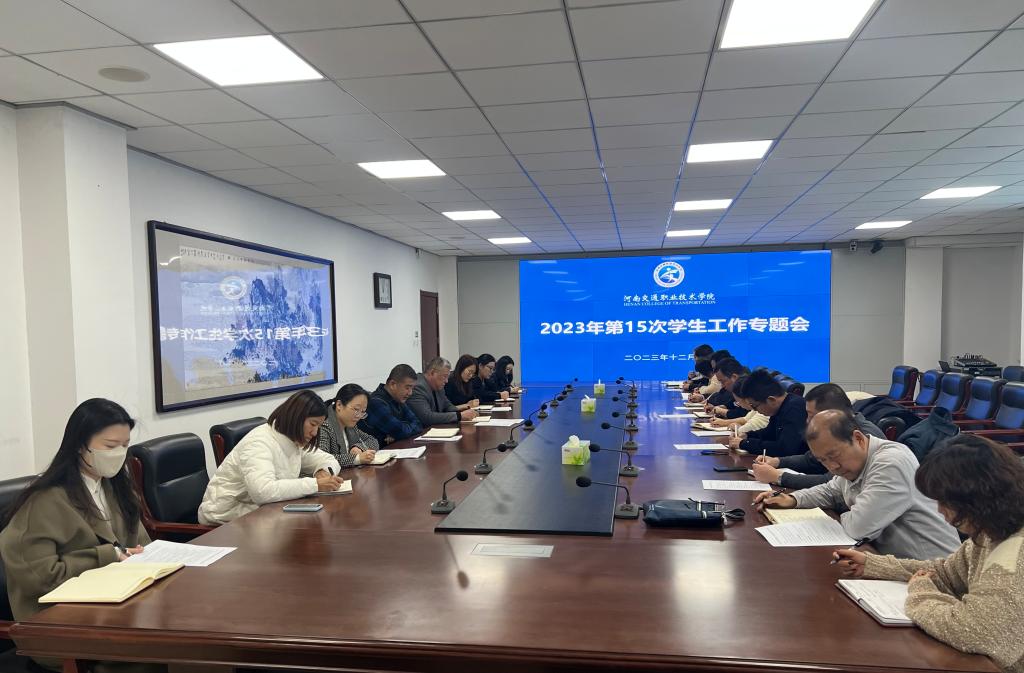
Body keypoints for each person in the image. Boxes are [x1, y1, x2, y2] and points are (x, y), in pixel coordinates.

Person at [834, 435, 1024, 672]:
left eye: (944, 501)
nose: (939, 510)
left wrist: (921, 592)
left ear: (975, 499)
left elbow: (977, 632)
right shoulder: (990, 531)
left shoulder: (1014, 553)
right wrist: (872, 565)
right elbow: (946, 573)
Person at [0, 399, 161, 673]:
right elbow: (40, 578)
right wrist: (108, 556)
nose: (119, 454)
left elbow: (140, 546)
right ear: (79, 445)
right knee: (154, 653)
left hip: (116, 607)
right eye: (110, 446)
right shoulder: (43, 501)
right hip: (57, 624)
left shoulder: (114, 488)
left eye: (124, 446)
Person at [754, 410, 961, 559]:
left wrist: (842, 515)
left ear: (858, 439)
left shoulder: (890, 462)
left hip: (931, 571)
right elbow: (832, 490)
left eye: (834, 456)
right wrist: (793, 499)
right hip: (889, 562)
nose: (832, 466)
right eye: (823, 460)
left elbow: (859, 527)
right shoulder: (854, 463)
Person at [199, 390, 343, 525]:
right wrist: (315, 484)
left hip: (260, 512)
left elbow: (329, 460)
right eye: (313, 424)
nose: (315, 432)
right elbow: (263, 491)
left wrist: (322, 471)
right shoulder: (258, 443)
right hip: (225, 517)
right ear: (296, 418)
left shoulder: (292, 439)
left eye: (318, 426)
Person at [752, 383, 884, 488]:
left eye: (811, 415)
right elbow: (811, 460)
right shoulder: (837, 427)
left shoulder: (864, 435)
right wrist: (777, 461)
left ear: (830, 413)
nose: (807, 421)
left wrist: (778, 477)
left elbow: (830, 482)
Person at [727, 369, 807, 457]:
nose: (755, 410)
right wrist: (747, 435)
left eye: (754, 406)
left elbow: (785, 449)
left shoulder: (794, 409)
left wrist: (744, 444)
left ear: (771, 400)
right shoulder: (780, 406)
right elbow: (769, 433)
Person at [359, 364, 424, 446]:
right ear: (392, 384)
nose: (410, 393)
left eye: (412, 388)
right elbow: (400, 431)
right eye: (407, 388)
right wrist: (400, 432)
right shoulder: (376, 402)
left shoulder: (398, 399)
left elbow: (418, 424)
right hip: (376, 452)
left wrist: (396, 435)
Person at [317, 383, 379, 466]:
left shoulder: (350, 425)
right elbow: (323, 459)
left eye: (363, 411)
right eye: (356, 409)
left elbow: (373, 441)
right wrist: (357, 458)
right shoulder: (324, 426)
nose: (358, 416)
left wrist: (359, 447)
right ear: (339, 405)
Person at [408, 357, 478, 426]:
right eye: (445, 376)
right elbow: (427, 417)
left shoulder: (438, 387)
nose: (446, 381)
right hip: (421, 431)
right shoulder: (418, 387)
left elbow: (448, 407)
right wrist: (459, 416)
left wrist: (467, 412)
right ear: (432, 373)